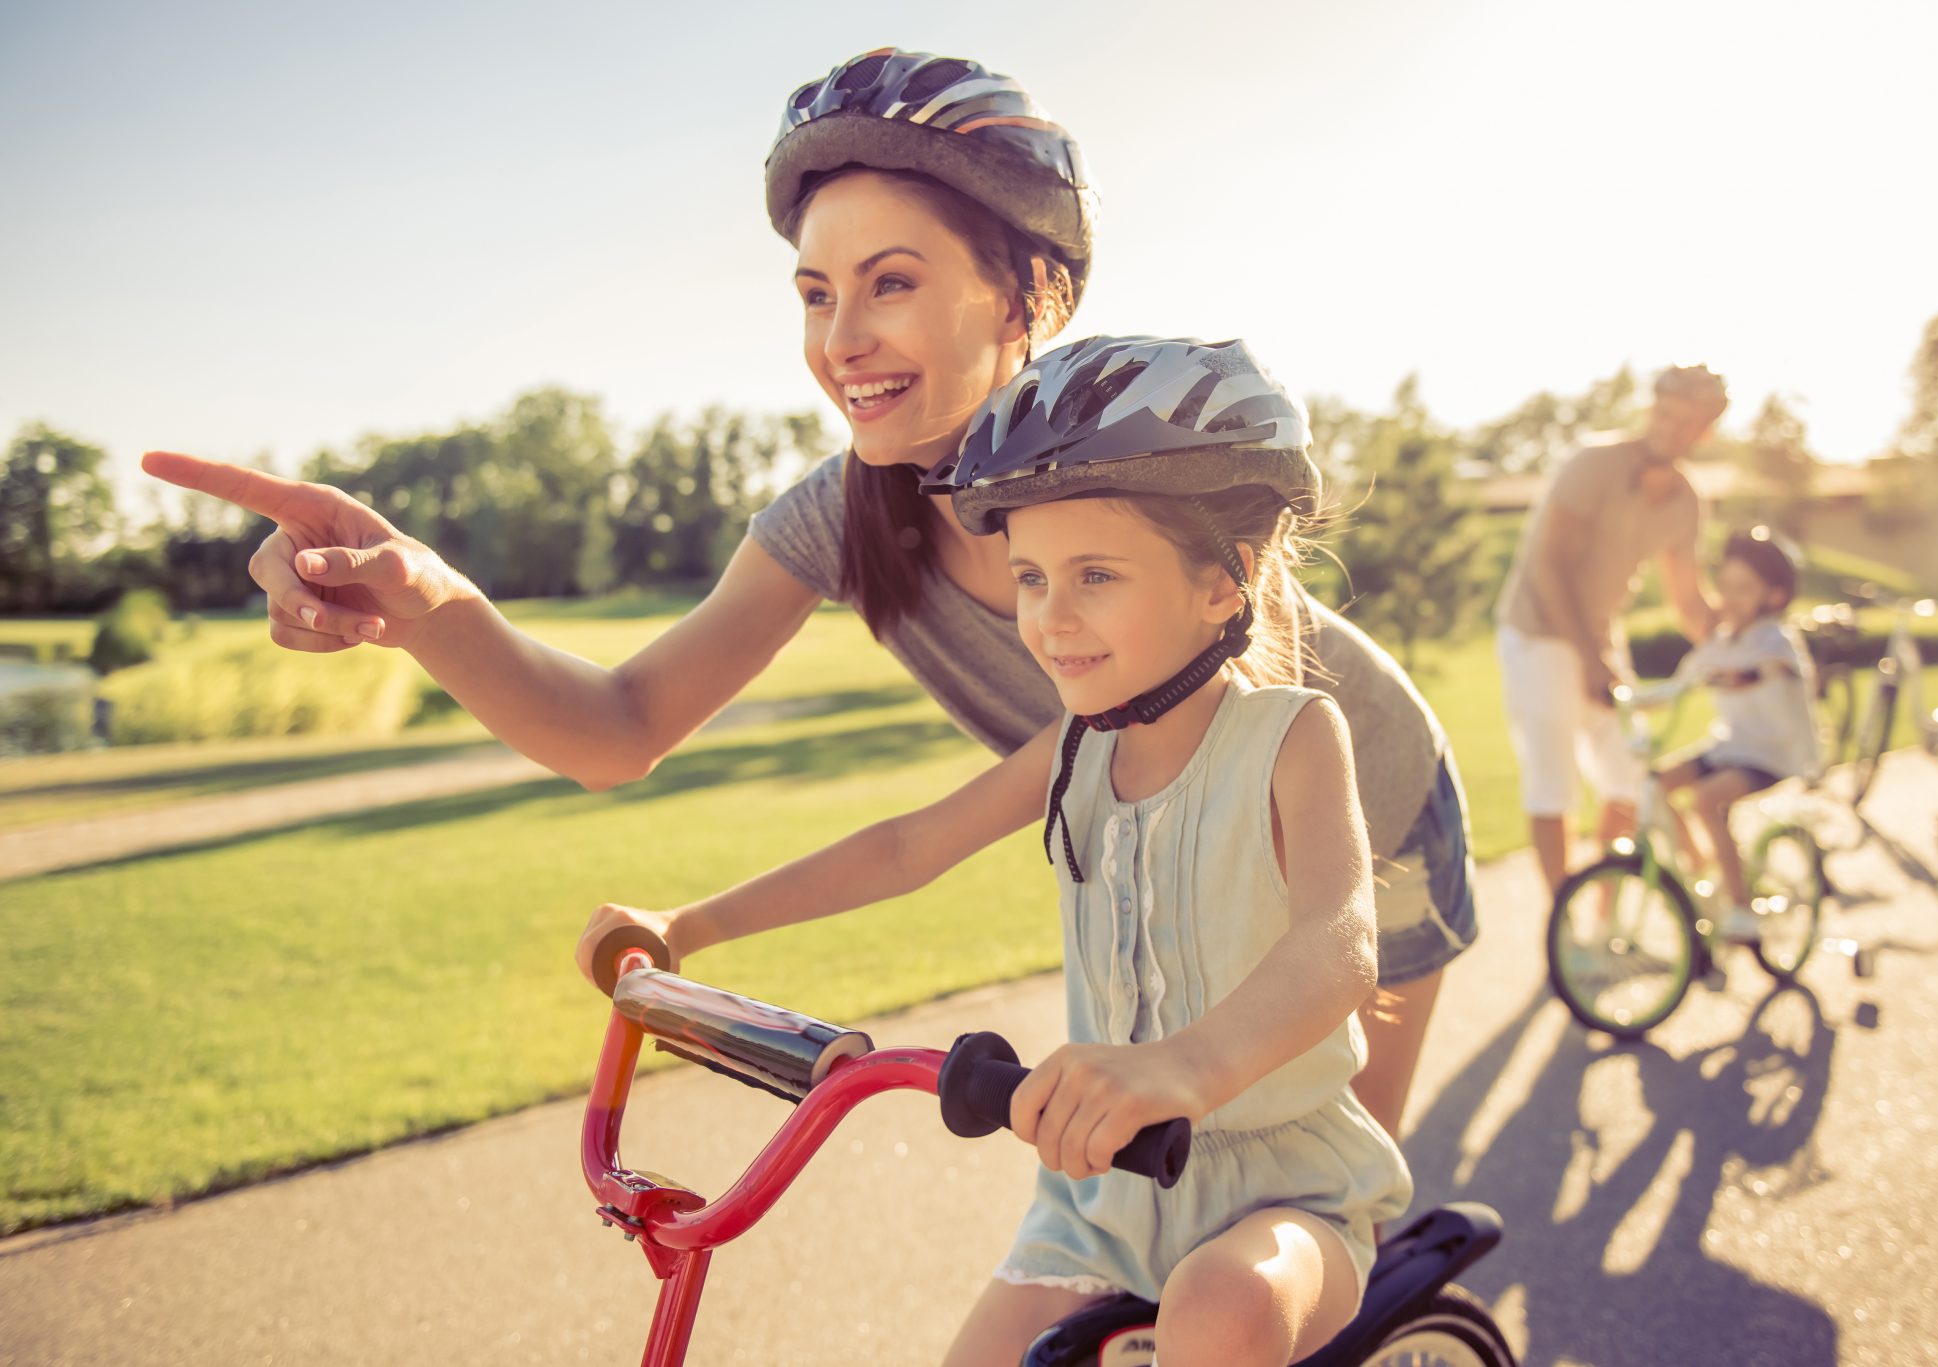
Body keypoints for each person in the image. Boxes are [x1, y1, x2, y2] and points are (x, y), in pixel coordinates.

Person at [139, 47, 1473, 1140]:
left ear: (1027, 294)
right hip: (1174, 859)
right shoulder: (843, 516)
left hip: (1356, 835)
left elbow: (1255, 819)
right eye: (817, 293)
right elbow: (619, 727)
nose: (842, 342)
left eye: (892, 284)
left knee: (1292, 1213)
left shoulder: (1140, 476)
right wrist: (429, 600)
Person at [578, 336, 1413, 1367]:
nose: (1049, 618)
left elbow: (1338, 945)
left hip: (1284, 1193)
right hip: (1098, 1201)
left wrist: (1185, 1067)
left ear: (1222, 582)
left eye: (1094, 575)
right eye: (1029, 576)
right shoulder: (1071, 750)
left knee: (1221, 1308)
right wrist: (687, 924)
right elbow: (902, 848)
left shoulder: (1288, 735)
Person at [1492, 363, 1726, 895]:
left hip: (1598, 636)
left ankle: (1602, 915)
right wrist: (1592, 659)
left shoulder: (1686, 500)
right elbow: (1551, 567)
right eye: (1665, 414)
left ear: (1704, 432)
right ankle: (1564, 925)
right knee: (1555, 787)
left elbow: (1688, 598)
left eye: (1687, 422)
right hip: (1538, 633)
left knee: (1629, 781)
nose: (1671, 428)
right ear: (1651, 409)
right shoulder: (1592, 465)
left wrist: (1741, 650)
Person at [1655, 526, 1820, 937]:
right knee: (1655, 784)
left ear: (1774, 597)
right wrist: (1620, 695)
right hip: (1730, 746)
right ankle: (1703, 867)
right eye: (1724, 586)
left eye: (1743, 588)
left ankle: (1741, 906)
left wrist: (1741, 676)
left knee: (1706, 799)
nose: (1728, 597)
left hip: (1774, 754)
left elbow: (1769, 670)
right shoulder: (1720, 641)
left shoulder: (1776, 641)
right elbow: (1675, 686)